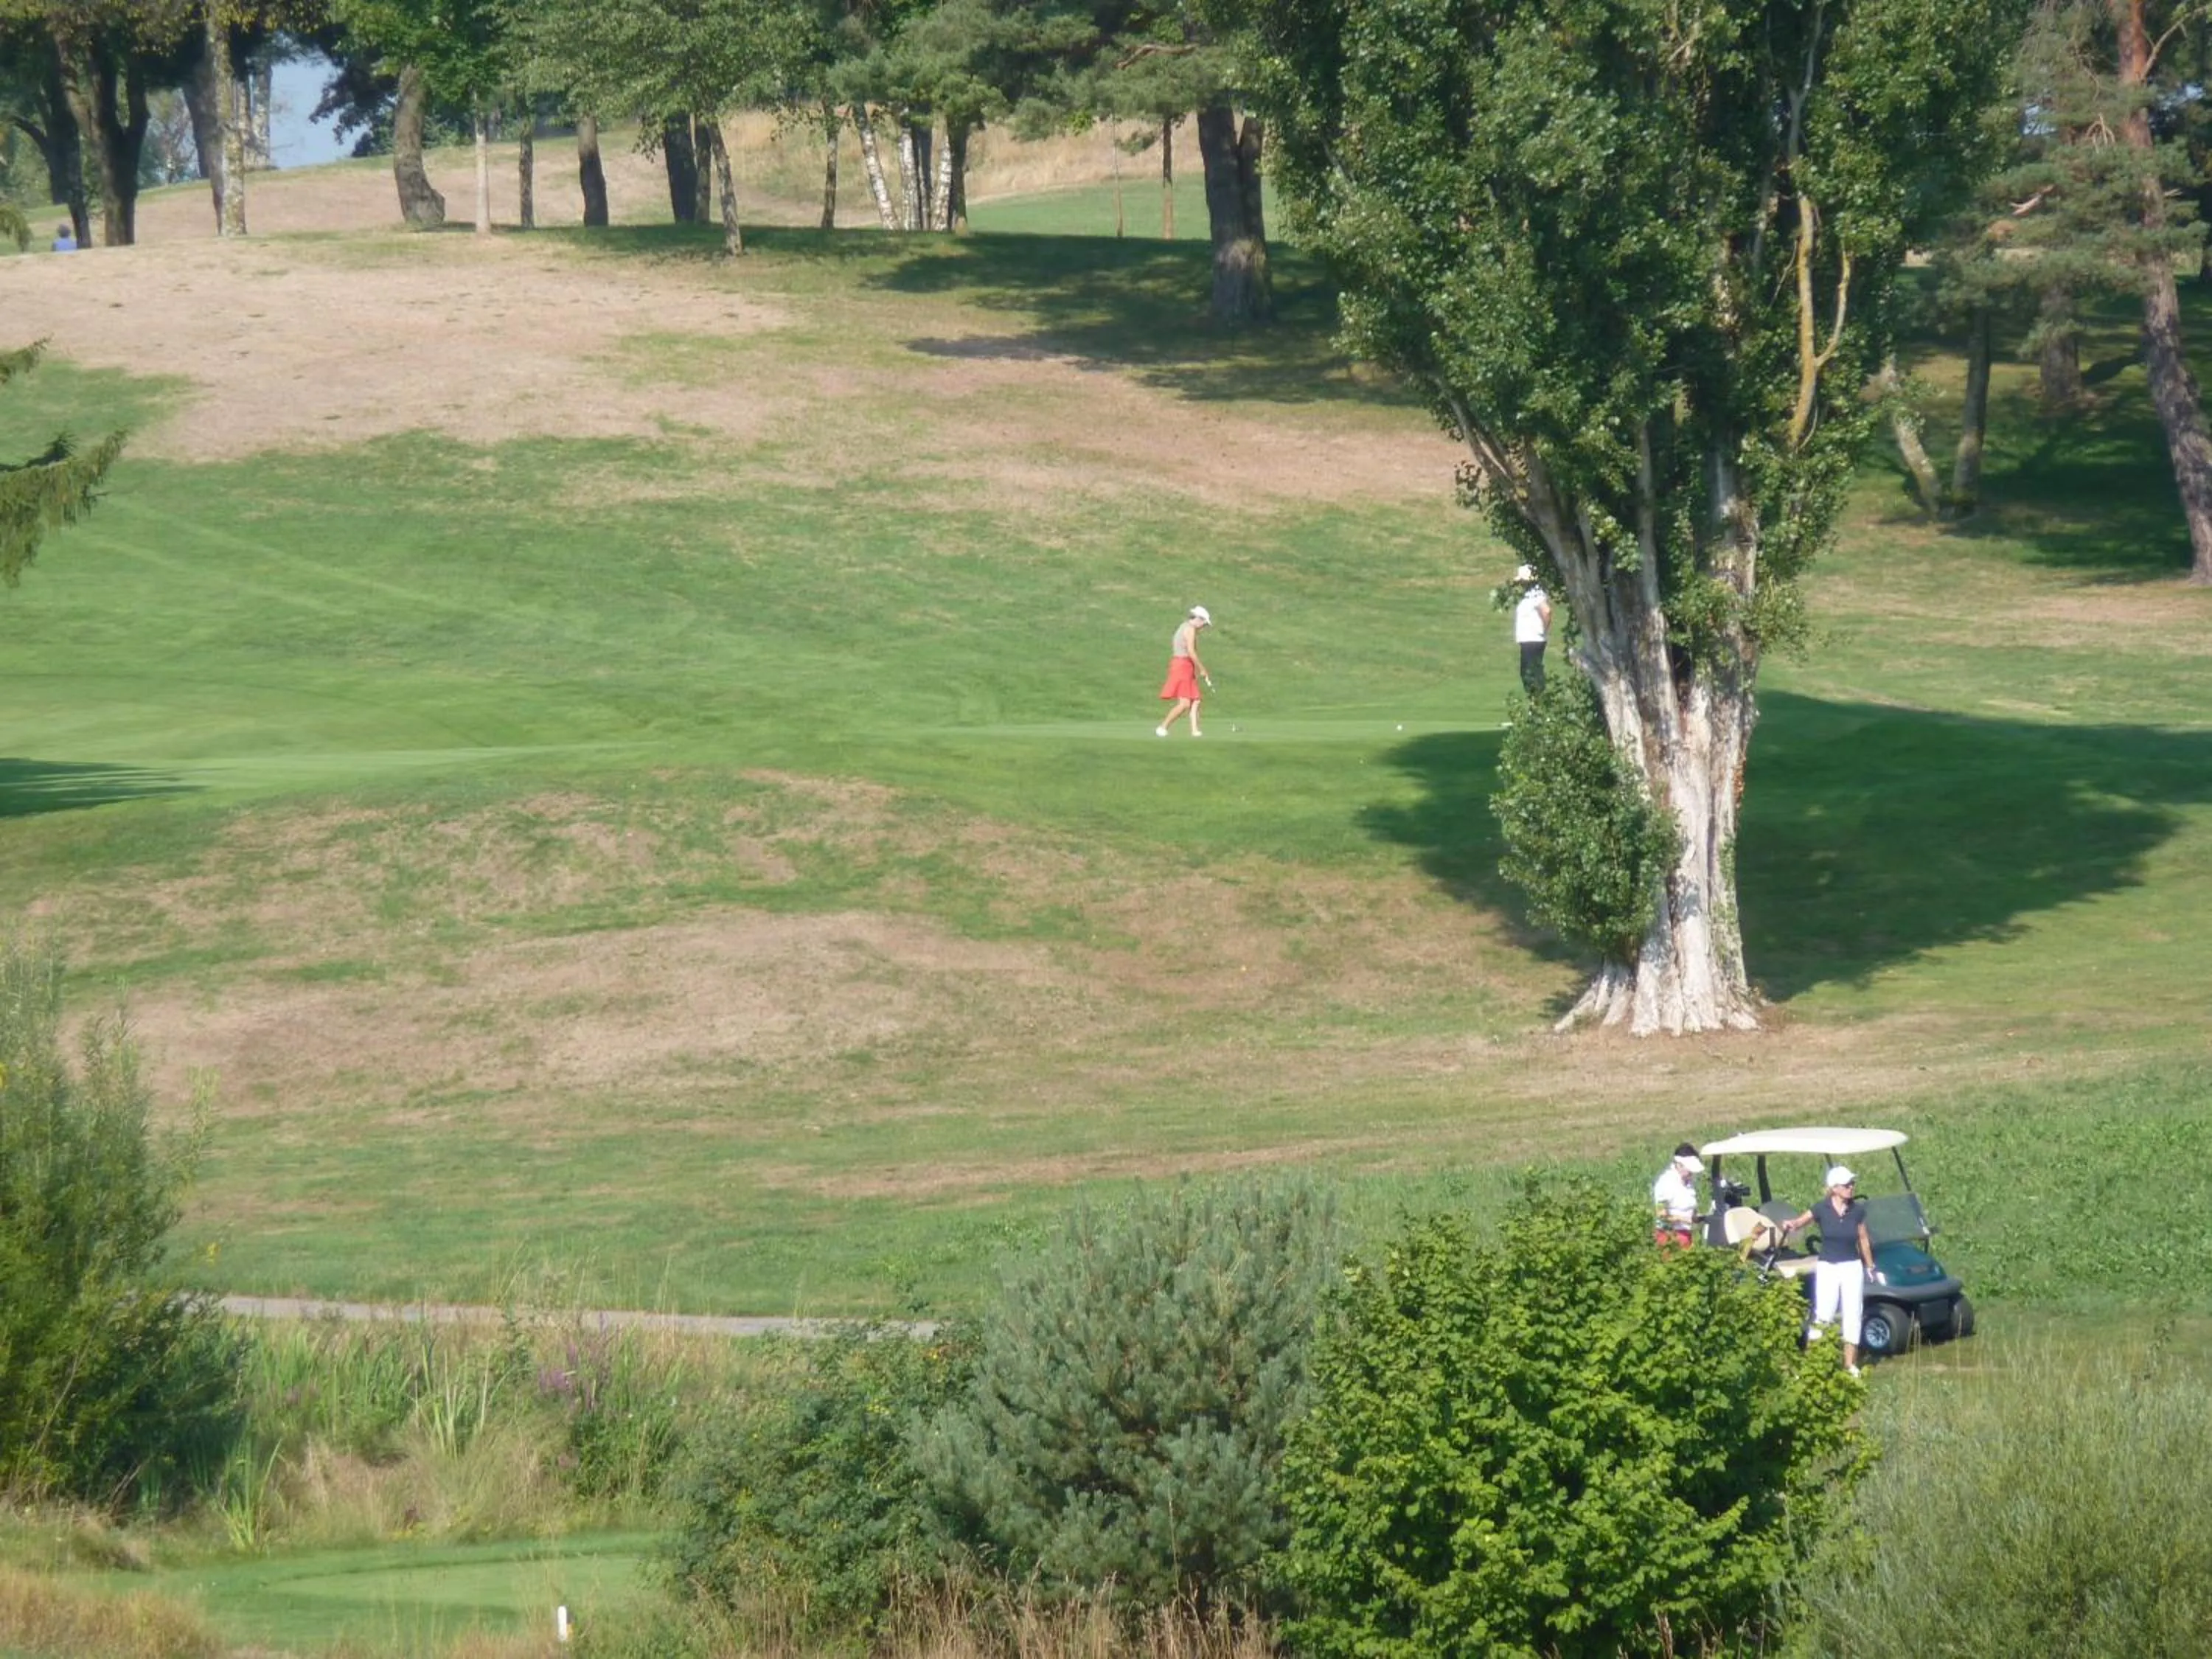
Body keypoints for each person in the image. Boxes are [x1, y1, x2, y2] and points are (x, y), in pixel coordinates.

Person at [1781, 1166, 1885, 1377]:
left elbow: (1863, 1239)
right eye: (1847, 1185)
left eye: (1852, 1184)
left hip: (1852, 1267)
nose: (1851, 1187)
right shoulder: (1821, 1208)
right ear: (1835, 1188)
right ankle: (1812, 1363)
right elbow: (1801, 1222)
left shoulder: (1857, 1210)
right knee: (1824, 1314)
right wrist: (1791, 1224)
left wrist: (1870, 1266)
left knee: (1853, 1313)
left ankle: (1849, 1364)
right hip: (1828, 1267)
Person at [1156, 605, 1214, 737]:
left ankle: (1195, 731)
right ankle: (1163, 727)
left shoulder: (1184, 626)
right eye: (1204, 624)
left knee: (1196, 699)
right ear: (1198, 619)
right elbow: (1191, 652)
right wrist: (1202, 669)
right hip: (1182, 665)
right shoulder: (1190, 629)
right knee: (1185, 703)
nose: (1203, 627)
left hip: (1184, 665)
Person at [1651, 1143, 1703, 1247]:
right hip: (1669, 1236)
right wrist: (1685, 1219)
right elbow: (1661, 1214)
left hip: (1686, 1234)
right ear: (1679, 1165)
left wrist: (1697, 1218)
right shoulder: (1665, 1183)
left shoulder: (1689, 1182)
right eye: (1689, 1170)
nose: (1692, 1173)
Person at [1512, 566, 1551, 693]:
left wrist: (1544, 630)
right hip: (1528, 640)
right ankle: (1535, 698)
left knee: (1531, 672)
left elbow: (1546, 611)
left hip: (1533, 639)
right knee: (1527, 672)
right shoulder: (1529, 595)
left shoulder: (1537, 594)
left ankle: (1539, 698)